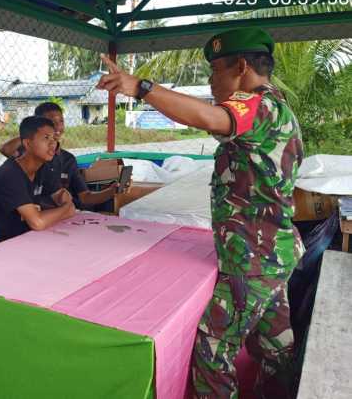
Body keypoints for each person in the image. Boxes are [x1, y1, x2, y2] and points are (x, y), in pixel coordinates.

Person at [97, 28, 304, 398]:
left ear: (241, 66)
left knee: (213, 352)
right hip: (275, 254)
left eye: (215, 71)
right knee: (276, 347)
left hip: (251, 260)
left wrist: (142, 88)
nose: (210, 81)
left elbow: (208, 118)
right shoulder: (278, 107)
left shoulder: (256, 105)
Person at [0, 102, 120, 209]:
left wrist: (111, 191)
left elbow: (84, 197)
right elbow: (5, 149)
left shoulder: (67, 159)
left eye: (60, 121)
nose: (57, 127)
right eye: (50, 122)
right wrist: (33, 133)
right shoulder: (29, 155)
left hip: (62, 216)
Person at [0, 115, 76, 242]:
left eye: (54, 138)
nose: (52, 144)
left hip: (27, 236)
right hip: (2, 243)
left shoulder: (43, 166)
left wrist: (64, 205)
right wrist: (66, 207)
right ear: (27, 143)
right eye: (46, 138)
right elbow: (37, 223)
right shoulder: (10, 174)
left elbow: (60, 194)